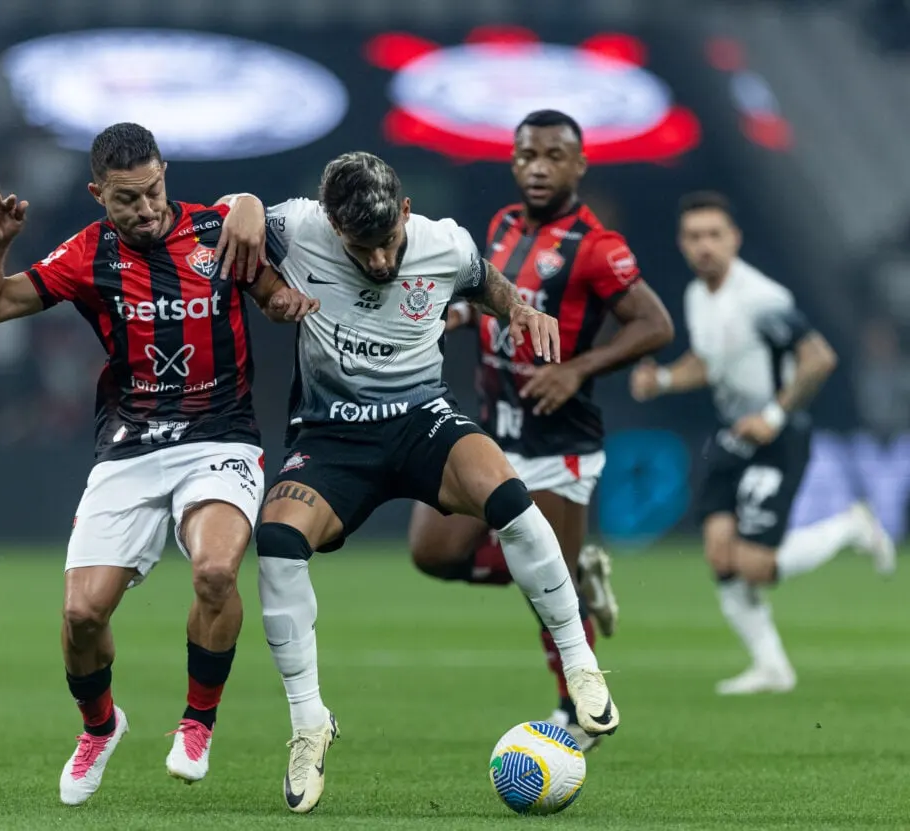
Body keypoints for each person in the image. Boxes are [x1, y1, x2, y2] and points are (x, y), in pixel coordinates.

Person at [0, 122, 318, 805]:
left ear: (165, 175)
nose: (147, 209)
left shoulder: (216, 230)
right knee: (82, 614)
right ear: (99, 195)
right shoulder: (87, 255)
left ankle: (197, 721)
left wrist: (283, 301)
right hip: (128, 446)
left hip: (221, 438)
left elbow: (269, 290)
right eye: (127, 199)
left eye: (154, 191)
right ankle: (100, 725)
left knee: (215, 569)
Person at [252, 150, 620, 815]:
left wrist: (521, 310)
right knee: (277, 541)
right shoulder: (295, 226)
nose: (383, 262)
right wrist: (243, 211)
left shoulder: (443, 242)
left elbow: (487, 283)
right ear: (331, 226)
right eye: (363, 249)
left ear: (408, 214)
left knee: (507, 494)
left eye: (391, 241)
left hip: (421, 421)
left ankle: (580, 664)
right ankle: (309, 723)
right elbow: (219, 221)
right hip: (332, 436)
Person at [406, 110, 674, 749]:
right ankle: (577, 580)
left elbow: (655, 325)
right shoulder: (500, 227)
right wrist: (464, 314)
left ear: (578, 166)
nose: (538, 168)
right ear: (513, 160)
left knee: (544, 590)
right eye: (528, 155)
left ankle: (575, 709)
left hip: (558, 441)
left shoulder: (597, 247)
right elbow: (500, 298)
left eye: (554, 156)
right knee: (434, 552)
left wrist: (578, 368)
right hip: (494, 428)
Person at [630, 190, 896, 695]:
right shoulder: (696, 295)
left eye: (714, 235)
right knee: (718, 554)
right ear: (682, 243)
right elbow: (708, 364)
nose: (704, 246)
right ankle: (772, 666)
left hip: (778, 436)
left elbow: (819, 358)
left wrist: (774, 414)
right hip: (733, 434)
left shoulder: (762, 299)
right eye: (694, 236)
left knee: (753, 565)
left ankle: (849, 527)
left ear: (734, 239)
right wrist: (662, 381)